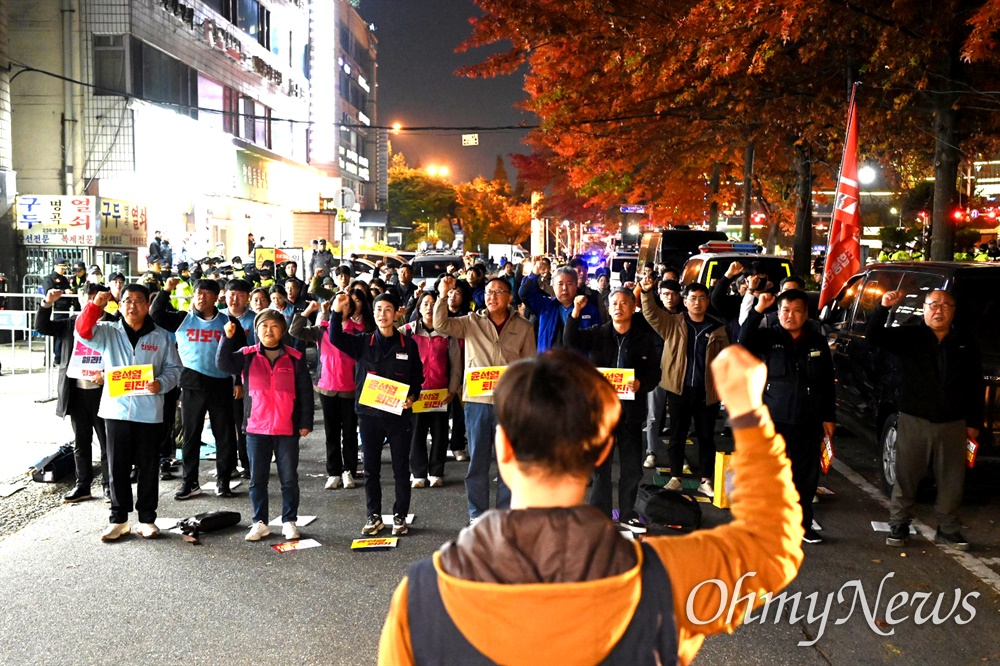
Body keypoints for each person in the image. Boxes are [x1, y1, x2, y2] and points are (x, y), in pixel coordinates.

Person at [377, 346, 804, 664]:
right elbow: (772, 546)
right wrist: (748, 411)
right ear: (601, 453)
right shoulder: (664, 579)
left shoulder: (420, 599)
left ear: (502, 447)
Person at [869, 289, 983, 550]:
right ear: (924, 308)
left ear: (953, 311)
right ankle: (899, 524)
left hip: (954, 423)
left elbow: (975, 384)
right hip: (914, 419)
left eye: (945, 305)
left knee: (952, 479)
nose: (938, 310)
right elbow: (874, 337)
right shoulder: (910, 335)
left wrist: (974, 422)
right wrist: (883, 307)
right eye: (933, 305)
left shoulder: (964, 341)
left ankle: (948, 528)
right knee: (906, 474)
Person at [75, 285, 183, 541]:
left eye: (138, 301)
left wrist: (161, 384)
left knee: (148, 467)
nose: (132, 306)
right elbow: (83, 333)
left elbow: (175, 369)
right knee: (116, 467)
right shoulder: (108, 331)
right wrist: (95, 306)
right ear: (120, 305)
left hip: (149, 413)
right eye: (127, 301)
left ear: (147, 305)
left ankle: (147, 519)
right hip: (115, 411)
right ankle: (119, 519)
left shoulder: (162, 336)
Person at [433, 275, 536, 523]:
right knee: (477, 462)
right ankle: (477, 514)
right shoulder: (470, 322)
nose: (492, 296)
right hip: (478, 402)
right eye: (489, 292)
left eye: (499, 292)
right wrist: (443, 295)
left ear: (510, 297)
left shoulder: (523, 327)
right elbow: (440, 325)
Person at [739, 289, 835, 544]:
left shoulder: (817, 341)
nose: (790, 316)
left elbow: (827, 382)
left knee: (805, 476)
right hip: (774, 417)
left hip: (808, 419)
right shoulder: (768, 337)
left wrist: (828, 417)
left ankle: (803, 525)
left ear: (806, 314)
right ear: (778, 312)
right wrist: (757, 309)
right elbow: (743, 340)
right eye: (785, 310)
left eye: (796, 311)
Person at [564, 289, 659, 532]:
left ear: (633, 306)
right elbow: (570, 340)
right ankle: (600, 514)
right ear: (608, 307)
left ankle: (628, 513)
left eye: (624, 303)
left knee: (631, 468)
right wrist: (576, 311)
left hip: (631, 412)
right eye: (614, 303)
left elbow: (655, 374)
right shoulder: (598, 333)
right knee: (600, 468)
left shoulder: (644, 338)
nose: (619, 307)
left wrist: (641, 384)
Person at [330, 292, 424, 536]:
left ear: (396, 314)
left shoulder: (408, 344)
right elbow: (335, 337)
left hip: (398, 417)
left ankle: (400, 515)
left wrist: (412, 397)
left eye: (388, 310)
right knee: (371, 468)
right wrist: (336, 311)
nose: (383, 314)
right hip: (369, 415)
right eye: (379, 309)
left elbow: (417, 378)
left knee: (401, 468)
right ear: (374, 313)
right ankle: (373, 516)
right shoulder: (363, 342)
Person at [217, 309, 314, 542]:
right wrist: (226, 338)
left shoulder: (294, 357)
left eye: (274, 326)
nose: (268, 330)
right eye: (263, 326)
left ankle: (289, 521)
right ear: (257, 330)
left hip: (287, 428)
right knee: (257, 479)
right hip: (255, 428)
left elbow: (305, 393)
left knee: (289, 479)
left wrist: (305, 422)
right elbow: (223, 363)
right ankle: (259, 522)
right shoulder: (247, 355)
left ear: (282, 330)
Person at [640, 276, 729, 495]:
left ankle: (706, 479)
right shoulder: (673, 322)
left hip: (707, 392)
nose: (697, 302)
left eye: (701, 298)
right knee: (677, 435)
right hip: (678, 389)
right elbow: (650, 313)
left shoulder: (718, 328)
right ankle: (675, 476)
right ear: (685, 301)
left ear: (707, 301)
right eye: (692, 298)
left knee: (707, 437)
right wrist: (646, 292)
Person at [151, 278, 238, 500]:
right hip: (191, 384)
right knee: (190, 437)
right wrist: (166, 289)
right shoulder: (182, 319)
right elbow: (156, 315)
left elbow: (239, 354)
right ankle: (190, 482)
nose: (201, 297)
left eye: (207, 293)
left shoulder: (228, 321)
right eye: (198, 292)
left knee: (225, 436)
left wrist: (238, 381)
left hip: (221, 384)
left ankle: (224, 481)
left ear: (216, 297)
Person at [35, 284, 110, 503]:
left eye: (96, 297)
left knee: (107, 442)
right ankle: (83, 485)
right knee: (81, 441)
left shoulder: (113, 323)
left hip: (103, 392)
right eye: (87, 297)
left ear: (104, 299)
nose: (91, 301)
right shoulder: (70, 324)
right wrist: (47, 303)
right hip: (76, 392)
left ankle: (109, 485)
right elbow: (42, 326)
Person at [290, 291, 370, 491]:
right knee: (331, 432)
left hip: (350, 388)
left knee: (350, 432)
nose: (341, 307)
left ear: (351, 309)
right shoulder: (322, 329)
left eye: (345, 304)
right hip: (327, 387)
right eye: (337, 303)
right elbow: (295, 331)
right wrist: (310, 310)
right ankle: (333, 472)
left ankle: (349, 470)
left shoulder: (359, 330)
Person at [403, 292, 462, 488]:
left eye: (433, 304)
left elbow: (456, 365)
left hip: (440, 394)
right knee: (416, 434)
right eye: (425, 304)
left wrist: (453, 389)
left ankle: (436, 472)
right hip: (416, 394)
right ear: (419, 308)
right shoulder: (408, 332)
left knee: (440, 434)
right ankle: (418, 473)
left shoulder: (448, 334)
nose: (429, 307)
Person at [644, 278, 684, 469]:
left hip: (679, 371)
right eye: (666, 294)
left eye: (674, 294)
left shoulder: (686, 316)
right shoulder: (654, 315)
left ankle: (678, 453)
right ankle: (652, 451)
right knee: (654, 415)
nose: (670, 298)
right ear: (659, 294)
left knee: (679, 417)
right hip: (656, 371)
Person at [520, 265, 600, 352]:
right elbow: (525, 294)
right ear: (553, 286)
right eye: (560, 284)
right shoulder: (546, 306)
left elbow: (596, 340)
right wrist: (534, 274)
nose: (565, 288)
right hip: (548, 362)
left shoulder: (590, 309)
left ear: (576, 285)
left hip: (578, 362)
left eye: (569, 284)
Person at [42, 257, 73, 362]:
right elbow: (49, 292)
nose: (64, 270)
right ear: (55, 266)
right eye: (62, 267)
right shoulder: (49, 279)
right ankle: (50, 358)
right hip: (55, 309)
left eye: (65, 268)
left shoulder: (64, 279)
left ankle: (58, 357)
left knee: (61, 334)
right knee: (54, 334)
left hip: (65, 308)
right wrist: (64, 292)